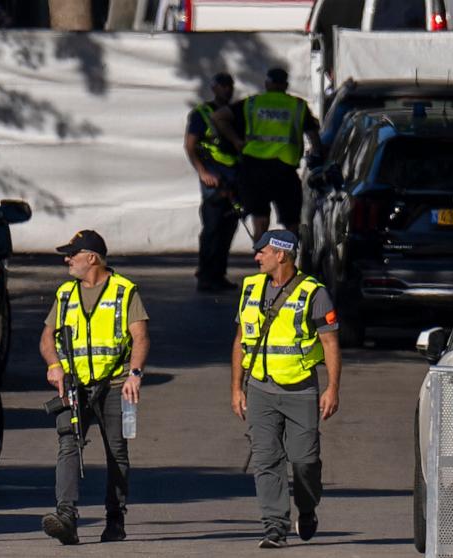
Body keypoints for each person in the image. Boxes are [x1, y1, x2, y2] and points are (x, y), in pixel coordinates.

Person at [230, 229, 341, 548]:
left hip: (300, 390)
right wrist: (236, 388)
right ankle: (274, 527)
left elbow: (330, 342)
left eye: (262, 251)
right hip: (260, 389)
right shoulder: (250, 288)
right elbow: (240, 340)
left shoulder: (313, 292)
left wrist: (332, 388)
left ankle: (307, 509)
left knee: (305, 461)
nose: (256, 257)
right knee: (266, 460)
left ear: (282, 254)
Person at [39, 230, 151, 545]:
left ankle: (115, 519)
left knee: (116, 451)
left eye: (72, 254)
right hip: (75, 385)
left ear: (92, 257)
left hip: (115, 383)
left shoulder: (124, 291)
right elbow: (47, 338)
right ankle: (66, 516)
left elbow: (140, 336)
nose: (66, 260)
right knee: (68, 442)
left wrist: (135, 374)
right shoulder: (65, 294)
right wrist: (54, 365)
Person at [213, 68, 321, 242]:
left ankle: (262, 262)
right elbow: (313, 136)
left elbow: (218, 117)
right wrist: (317, 155)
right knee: (291, 222)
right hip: (285, 170)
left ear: (267, 84)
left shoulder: (253, 103)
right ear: (285, 85)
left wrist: (235, 141)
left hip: (254, 169)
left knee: (260, 220)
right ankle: (286, 263)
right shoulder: (297, 106)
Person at [184, 72, 242, 292]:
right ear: (214, 88)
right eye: (223, 86)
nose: (227, 90)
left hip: (234, 177)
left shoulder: (234, 113)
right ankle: (206, 274)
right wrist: (202, 172)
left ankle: (218, 274)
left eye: (230, 85)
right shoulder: (201, 114)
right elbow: (190, 145)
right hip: (213, 177)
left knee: (228, 228)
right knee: (213, 227)